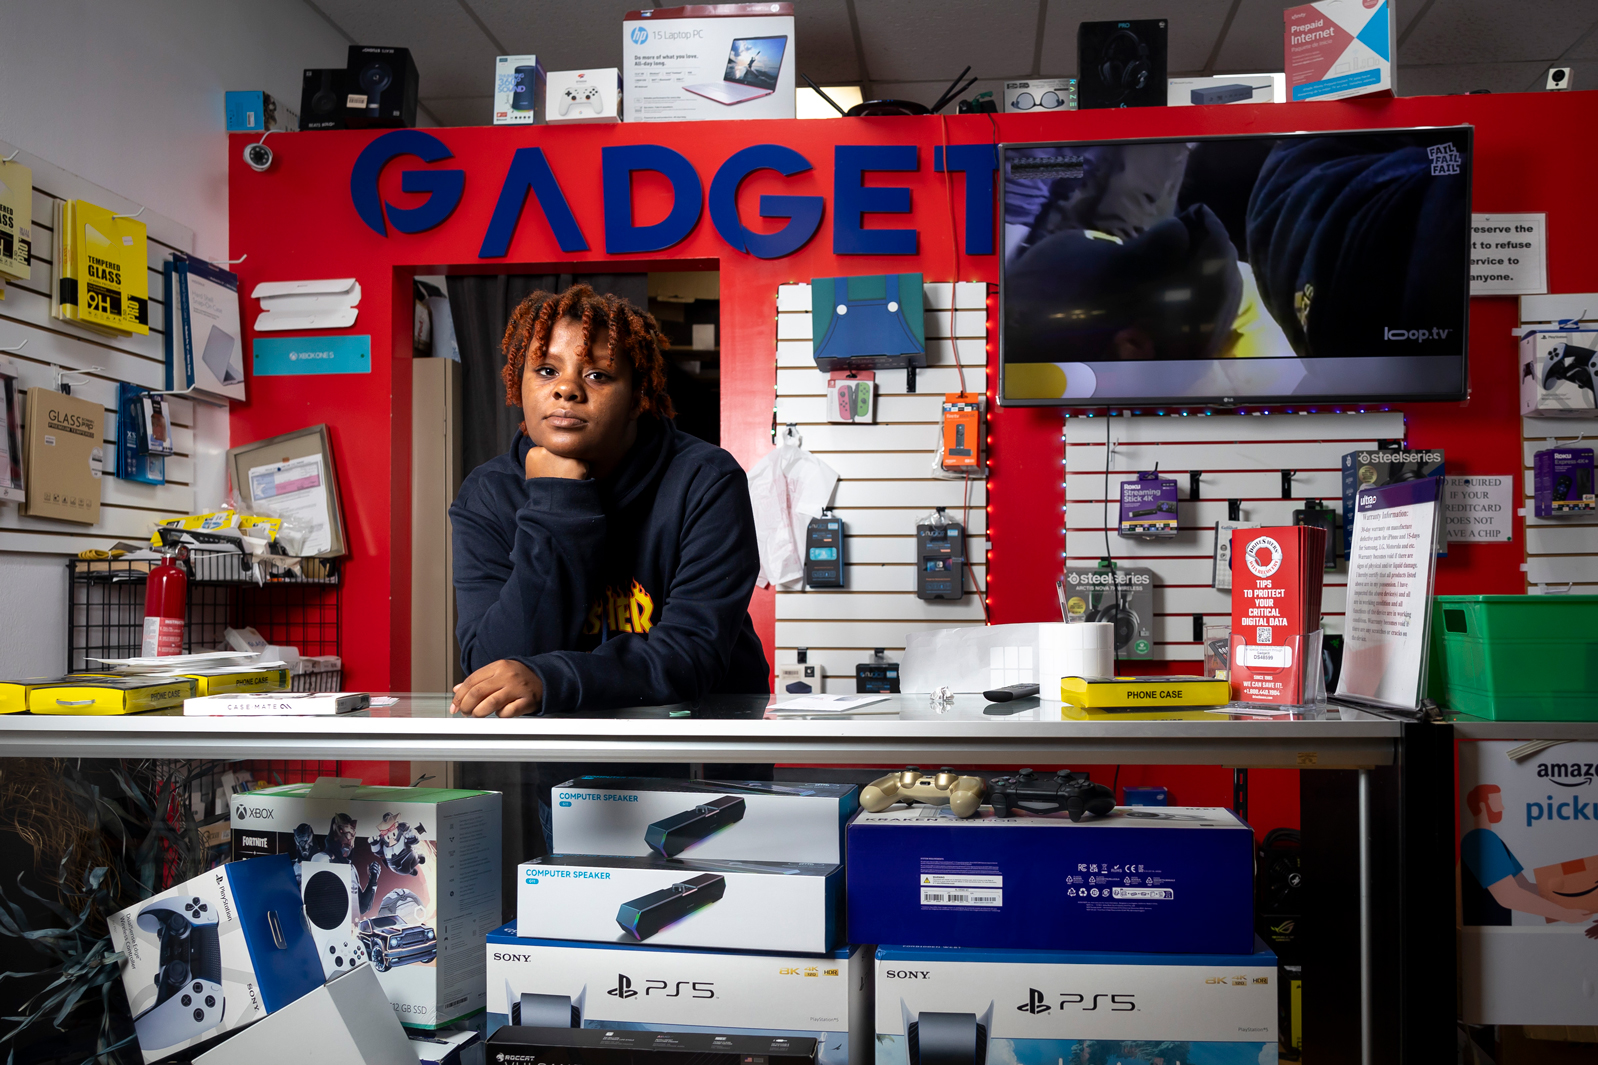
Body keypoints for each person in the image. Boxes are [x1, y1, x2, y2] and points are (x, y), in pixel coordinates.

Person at [449, 284, 769, 717]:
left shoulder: (706, 481)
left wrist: (551, 679)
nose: (566, 389)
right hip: (558, 755)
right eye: (545, 370)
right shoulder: (489, 493)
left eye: (597, 375)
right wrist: (555, 501)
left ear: (638, 397)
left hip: (702, 748)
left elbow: (693, 653)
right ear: (518, 382)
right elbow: (492, 666)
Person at [1461, 783, 1597, 932]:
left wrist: (1584, 893)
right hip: (1488, 934)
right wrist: (1565, 914)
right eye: (1497, 802)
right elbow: (1508, 896)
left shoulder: (1494, 841)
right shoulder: (1479, 840)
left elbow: (1524, 887)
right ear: (1482, 805)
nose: (1502, 808)